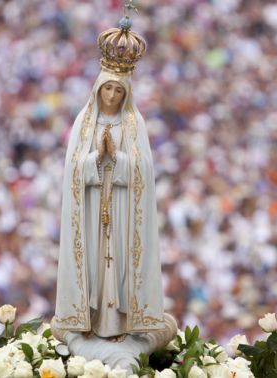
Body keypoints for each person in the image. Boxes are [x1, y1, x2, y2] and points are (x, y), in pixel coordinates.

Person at [52, 15, 165, 342]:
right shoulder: (85, 123)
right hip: (90, 207)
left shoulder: (134, 124)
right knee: (93, 263)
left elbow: (143, 172)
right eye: (108, 89)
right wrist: (95, 159)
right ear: (98, 88)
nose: (112, 96)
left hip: (122, 208)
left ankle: (118, 324)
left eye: (118, 90)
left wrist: (116, 158)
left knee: (119, 263)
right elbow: (73, 170)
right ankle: (90, 318)